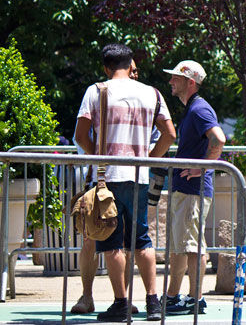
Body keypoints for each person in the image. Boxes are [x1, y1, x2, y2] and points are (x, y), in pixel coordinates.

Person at [74, 44, 175, 321]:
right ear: (132, 64)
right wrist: (149, 158)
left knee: (111, 241)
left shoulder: (96, 91)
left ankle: (120, 303)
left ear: (106, 67)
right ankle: (153, 302)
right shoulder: (151, 93)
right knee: (142, 238)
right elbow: (169, 133)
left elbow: (81, 134)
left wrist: (98, 156)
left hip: (107, 177)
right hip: (139, 176)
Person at [70, 58, 151, 315]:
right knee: (93, 238)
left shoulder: (141, 96)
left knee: (123, 243)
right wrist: (100, 157)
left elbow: (158, 137)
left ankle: (122, 300)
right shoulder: (102, 92)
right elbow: (82, 135)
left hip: (117, 175)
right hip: (103, 178)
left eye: (136, 71)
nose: (135, 74)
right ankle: (90, 295)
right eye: (133, 69)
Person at [161, 60, 226, 314]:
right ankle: (175, 296)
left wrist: (203, 168)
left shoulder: (199, 109)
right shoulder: (193, 109)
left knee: (192, 246)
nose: (170, 82)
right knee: (181, 245)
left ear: (190, 81)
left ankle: (195, 298)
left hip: (193, 190)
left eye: (176, 77)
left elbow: (218, 139)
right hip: (187, 190)